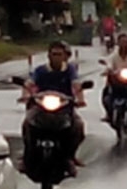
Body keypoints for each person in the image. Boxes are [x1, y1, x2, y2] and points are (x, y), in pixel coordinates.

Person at [23, 40, 86, 174]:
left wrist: (80, 99)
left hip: (64, 108)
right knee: (27, 123)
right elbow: (29, 84)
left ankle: (69, 157)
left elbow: (76, 85)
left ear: (65, 56)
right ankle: (27, 156)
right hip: (41, 107)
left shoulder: (70, 70)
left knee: (78, 126)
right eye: (54, 54)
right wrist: (25, 95)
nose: (56, 57)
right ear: (48, 56)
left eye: (59, 54)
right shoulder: (41, 70)